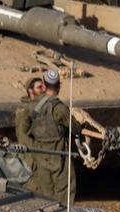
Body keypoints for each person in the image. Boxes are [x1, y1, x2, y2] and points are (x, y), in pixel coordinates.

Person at [16, 69, 74, 200]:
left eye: (42, 85)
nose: (42, 89)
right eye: (38, 87)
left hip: (43, 154)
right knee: (59, 189)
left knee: (48, 191)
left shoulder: (38, 106)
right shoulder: (29, 108)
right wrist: (30, 158)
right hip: (41, 154)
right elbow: (23, 135)